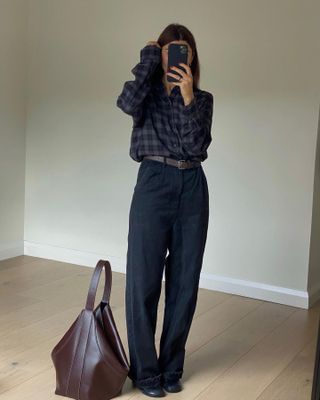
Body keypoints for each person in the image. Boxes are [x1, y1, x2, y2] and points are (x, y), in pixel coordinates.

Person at [116, 23, 214, 398]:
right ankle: (145, 372)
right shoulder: (145, 96)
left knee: (185, 283)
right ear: (159, 54)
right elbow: (125, 104)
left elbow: (197, 147)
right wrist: (146, 60)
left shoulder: (203, 99)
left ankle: (172, 367)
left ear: (192, 57)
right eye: (169, 49)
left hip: (192, 186)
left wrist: (188, 97)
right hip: (153, 181)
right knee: (143, 280)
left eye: (183, 50)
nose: (177, 55)